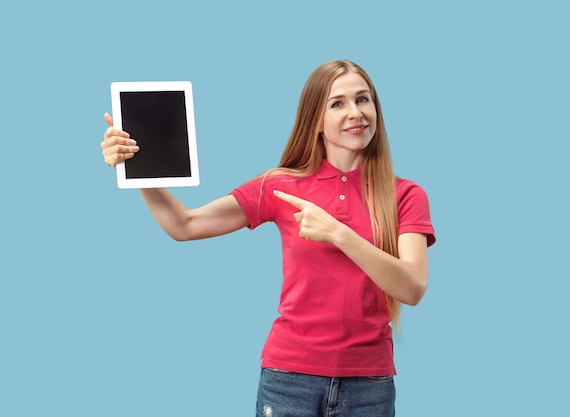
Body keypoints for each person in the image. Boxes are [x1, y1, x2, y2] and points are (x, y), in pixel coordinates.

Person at [101, 60, 436, 417]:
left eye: (363, 100)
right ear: (315, 120)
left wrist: (338, 233)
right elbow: (185, 224)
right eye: (337, 103)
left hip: (369, 384)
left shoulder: (404, 194)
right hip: (289, 379)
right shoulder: (280, 186)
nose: (355, 112)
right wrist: (137, 167)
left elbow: (412, 287)